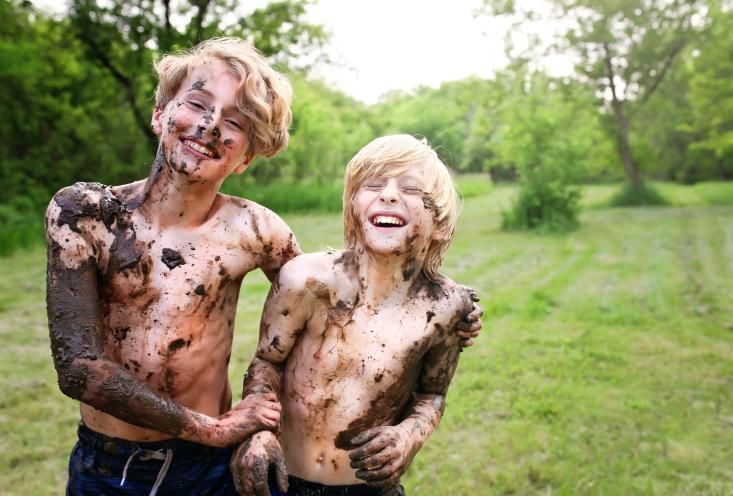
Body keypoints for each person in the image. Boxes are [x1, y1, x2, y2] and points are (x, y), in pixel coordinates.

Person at [45, 37, 482, 495]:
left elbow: (333, 303)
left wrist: (450, 310)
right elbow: (79, 368)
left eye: (234, 122)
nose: (211, 126)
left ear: (245, 157)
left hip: (211, 469)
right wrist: (215, 430)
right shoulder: (86, 214)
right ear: (160, 114)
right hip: (110, 464)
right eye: (197, 104)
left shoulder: (255, 230)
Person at [231, 134, 482, 496]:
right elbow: (266, 363)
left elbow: (433, 394)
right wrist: (259, 432)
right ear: (353, 207)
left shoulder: (444, 307)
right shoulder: (308, 280)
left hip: (369, 488)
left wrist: (407, 436)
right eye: (374, 184)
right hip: (281, 479)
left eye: (410, 189)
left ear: (439, 223)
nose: (390, 195)